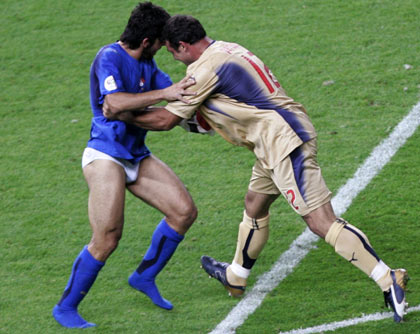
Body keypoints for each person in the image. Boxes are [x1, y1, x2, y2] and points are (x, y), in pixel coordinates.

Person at [102, 15, 409, 323]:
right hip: (274, 138)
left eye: (171, 52)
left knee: (320, 221)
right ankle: (236, 275)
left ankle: (387, 277)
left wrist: (121, 115)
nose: (172, 59)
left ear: (182, 46)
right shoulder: (226, 48)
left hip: (284, 143)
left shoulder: (203, 70)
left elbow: (166, 120)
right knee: (255, 204)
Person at [52, 4, 198, 329]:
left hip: (136, 154)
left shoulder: (149, 64)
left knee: (183, 212)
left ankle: (144, 277)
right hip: (105, 154)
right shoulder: (109, 57)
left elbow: (177, 97)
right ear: (147, 41)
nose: (165, 48)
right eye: (161, 42)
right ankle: (65, 307)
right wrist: (162, 94)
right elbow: (113, 103)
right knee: (107, 237)